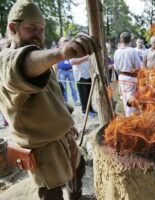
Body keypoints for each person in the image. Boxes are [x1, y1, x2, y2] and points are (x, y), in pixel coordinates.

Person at [0, 0, 96, 199]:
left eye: (42, 30)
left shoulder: (41, 59)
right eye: (31, 28)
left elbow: (51, 96)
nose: (39, 34)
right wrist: (62, 53)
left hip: (63, 137)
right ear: (13, 28)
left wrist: (66, 120)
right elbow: (23, 64)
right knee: (51, 193)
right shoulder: (6, 60)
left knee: (77, 173)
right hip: (41, 147)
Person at [114, 32, 141, 116]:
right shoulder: (132, 51)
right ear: (130, 40)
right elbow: (138, 65)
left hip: (121, 77)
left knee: (125, 99)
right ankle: (130, 119)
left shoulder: (117, 52)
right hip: (130, 78)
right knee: (130, 100)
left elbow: (116, 67)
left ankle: (127, 116)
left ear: (121, 40)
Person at [57, 36, 80, 105]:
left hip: (70, 71)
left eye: (66, 41)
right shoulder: (57, 51)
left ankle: (76, 100)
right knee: (63, 87)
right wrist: (56, 73)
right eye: (64, 41)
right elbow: (55, 63)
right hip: (61, 71)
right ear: (60, 43)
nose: (65, 43)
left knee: (73, 86)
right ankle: (65, 101)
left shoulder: (71, 50)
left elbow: (74, 60)